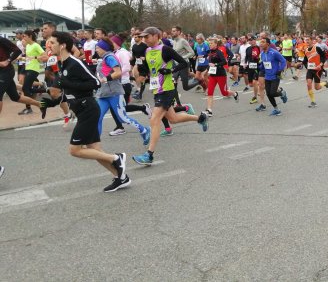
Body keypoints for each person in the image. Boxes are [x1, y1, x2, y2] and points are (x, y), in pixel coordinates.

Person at [39, 31, 130, 192]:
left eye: (52, 42)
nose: (49, 45)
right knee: (95, 150)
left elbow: (95, 83)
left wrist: (67, 82)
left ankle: (116, 158)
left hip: (88, 109)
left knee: (75, 150)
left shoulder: (74, 63)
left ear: (62, 46)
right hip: (81, 109)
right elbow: (69, 93)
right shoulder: (61, 64)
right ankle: (120, 177)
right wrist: (51, 102)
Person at [132, 27, 208, 166]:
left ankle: (149, 155)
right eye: (142, 37)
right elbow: (151, 68)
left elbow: (183, 63)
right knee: (173, 119)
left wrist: (170, 70)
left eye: (147, 36)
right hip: (156, 89)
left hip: (166, 89)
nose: (144, 39)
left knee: (154, 120)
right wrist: (143, 74)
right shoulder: (147, 51)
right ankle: (201, 118)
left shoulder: (165, 49)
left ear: (156, 36)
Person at [0, 36, 42, 115]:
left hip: (6, 71)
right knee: (15, 97)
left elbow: (17, 50)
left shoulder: (1, 40)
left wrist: (8, 61)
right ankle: (39, 104)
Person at [204, 38, 239, 116]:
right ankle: (209, 110)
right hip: (213, 75)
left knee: (224, 93)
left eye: (212, 43)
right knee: (210, 92)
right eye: (209, 44)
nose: (210, 45)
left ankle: (234, 93)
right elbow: (210, 63)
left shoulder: (219, 52)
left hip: (221, 75)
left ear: (216, 44)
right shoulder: (210, 52)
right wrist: (207, 70)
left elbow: (224, 62)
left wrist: (216, 64)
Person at [259, 37, 287, 116]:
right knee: (269, 94)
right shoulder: (262, 54)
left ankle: (282, 93)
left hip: (275, 76)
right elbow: (264, 64)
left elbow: (283, 61)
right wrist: (260, 67)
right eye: (260, 42)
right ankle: (277, 110)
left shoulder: (274, 52)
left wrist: (280, 70)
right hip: (267, 76)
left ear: (267, 44)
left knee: (273, 93)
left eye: (263, 42)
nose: (261, 44)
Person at [303, 36, 328, 108]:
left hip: (318, 70)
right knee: (308, 84)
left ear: (312, 40)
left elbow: (324, 57)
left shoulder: (317, 48)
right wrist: (306, 66)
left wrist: (320, 65)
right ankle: (313, 101)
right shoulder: (306, 50)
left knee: (317, 88)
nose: (307, 41)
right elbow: (304, 61)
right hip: (310, 70)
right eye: (306, 40)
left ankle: (325, 83)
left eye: (308, 40)